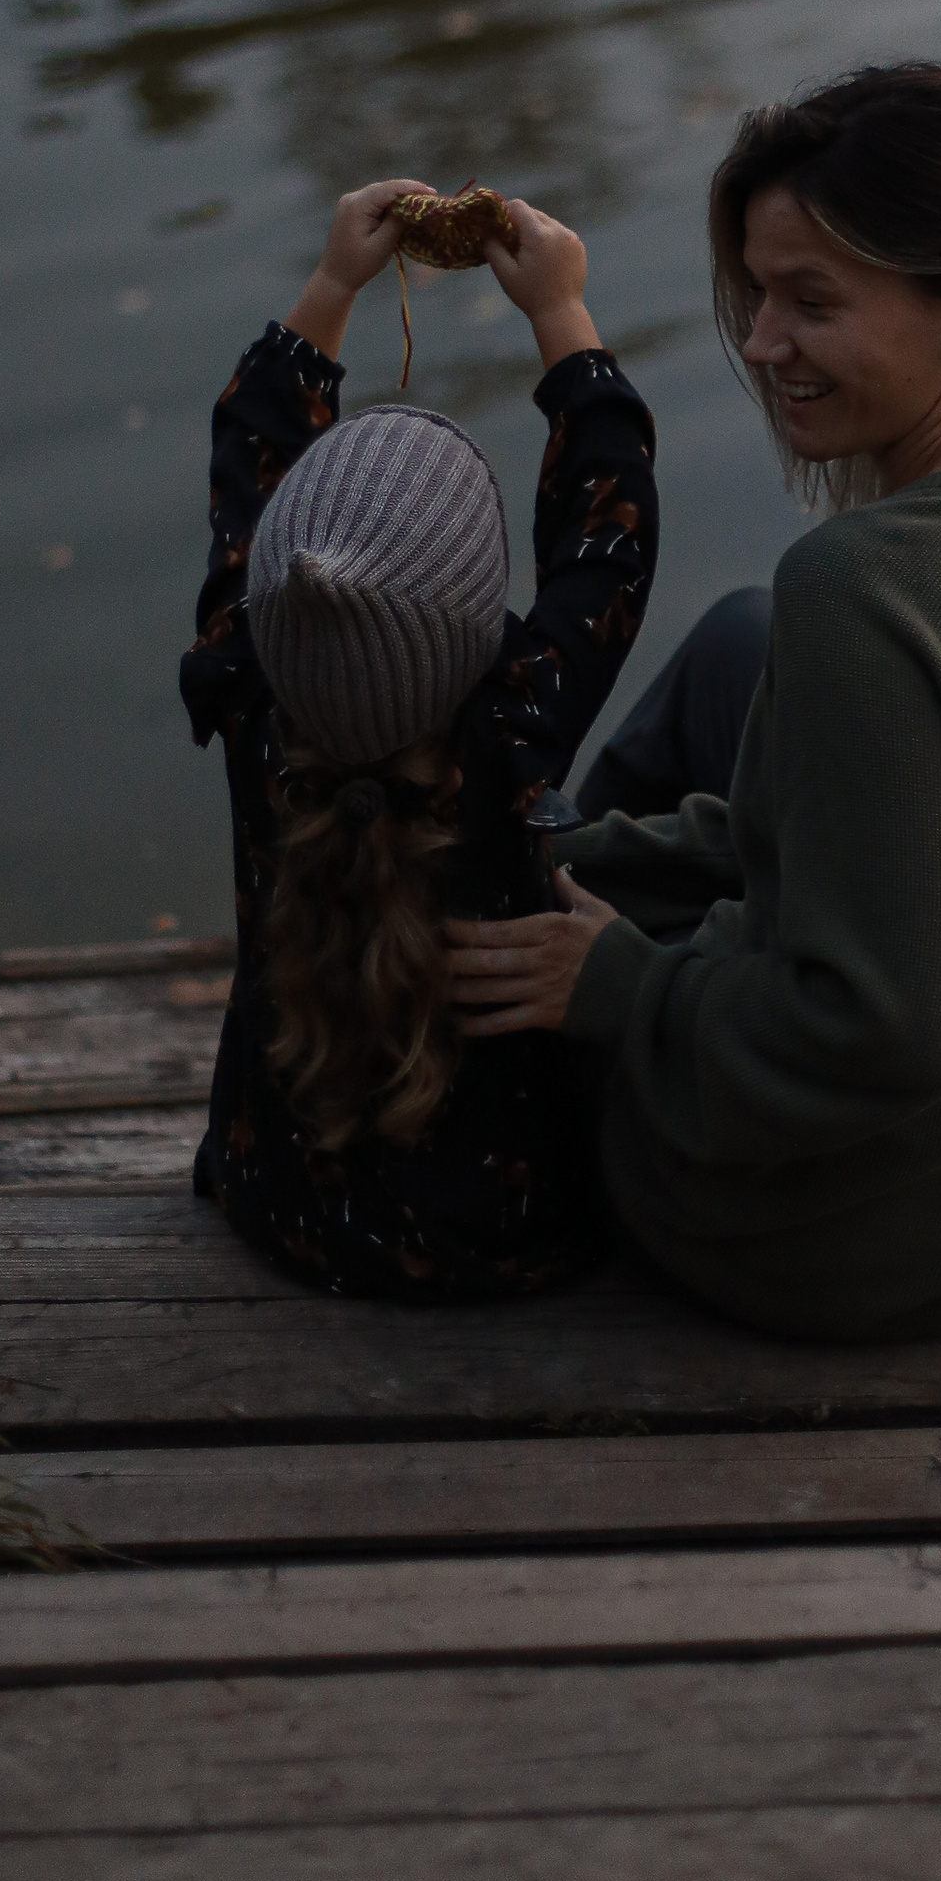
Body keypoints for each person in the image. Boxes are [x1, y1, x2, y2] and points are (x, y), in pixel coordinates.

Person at [444, 61, 941, 1342]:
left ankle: (540, 920)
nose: (758, 344)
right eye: (755, 295)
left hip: (851, 1246)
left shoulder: (861, 589)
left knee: (478, 1049)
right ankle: (549, 877)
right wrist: (576, 866)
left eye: (811, 302)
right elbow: (876, 836)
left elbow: (888, 1033)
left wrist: (623, 989)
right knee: (739, 646)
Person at [179, 179, 656, 1296]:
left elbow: (242, 470)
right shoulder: (507, 729)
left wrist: (331, 286)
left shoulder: (248, 691)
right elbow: (610, 529)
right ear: (479, 621)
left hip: (280, 1211)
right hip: (502, 1237)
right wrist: (561, 312)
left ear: (265, 602)